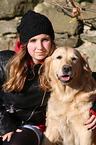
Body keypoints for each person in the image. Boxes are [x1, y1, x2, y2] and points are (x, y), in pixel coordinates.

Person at [0, 10, 96, 145]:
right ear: (24, 43)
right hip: (4, 121)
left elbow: (89, 78)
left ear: (52, 41)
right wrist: (4, 125)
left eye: (45, 40)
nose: (39, 47)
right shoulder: (4, 61)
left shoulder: (54, 64)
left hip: (29, 127)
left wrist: (95, 109)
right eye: (33, 41)